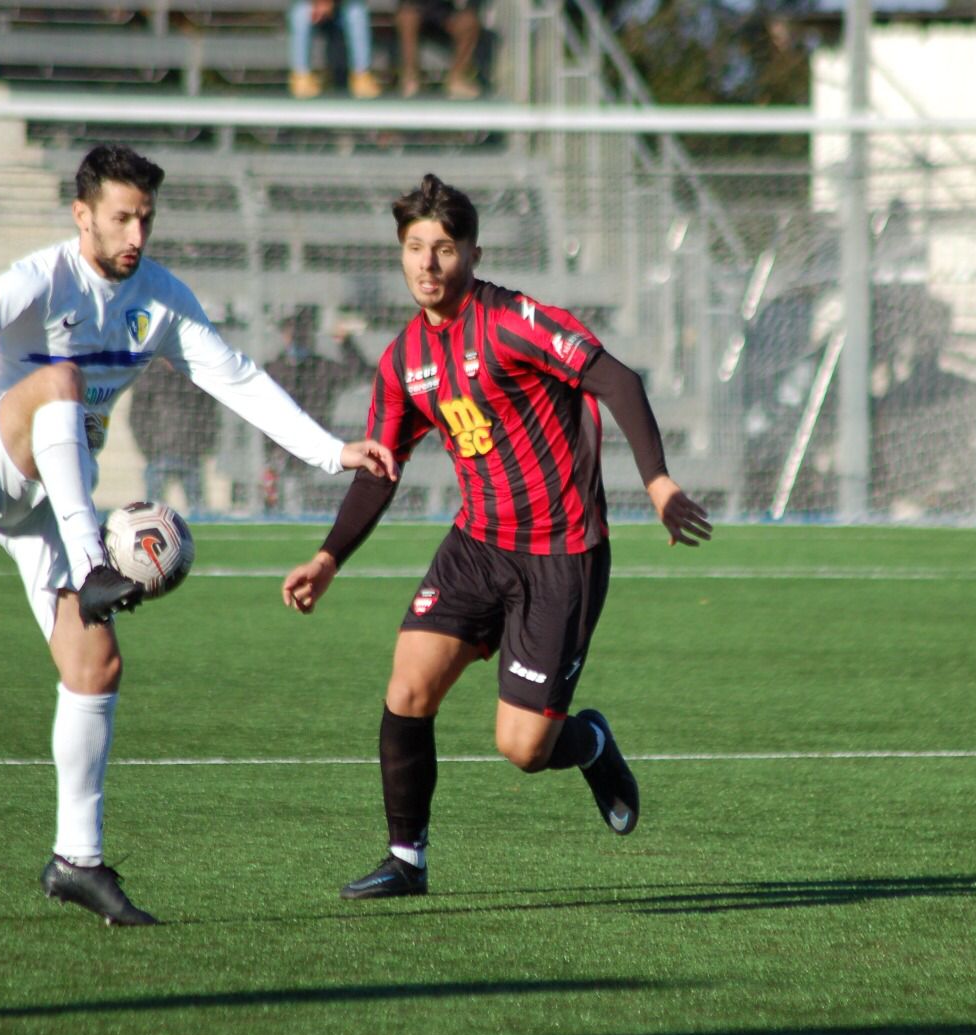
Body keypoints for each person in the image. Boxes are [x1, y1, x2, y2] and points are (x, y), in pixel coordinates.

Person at [0, 144, 396, 926]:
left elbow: (234, 376)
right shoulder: (42, 277)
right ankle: (94, 560)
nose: (136, 234)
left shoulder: (160, 298)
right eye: (122, 217)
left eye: (146, 218)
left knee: (94, 666)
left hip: (53, 504)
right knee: (59, 378)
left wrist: (330, 451)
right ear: (83, 215)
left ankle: (77, 859)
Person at [281, 174, 712, 900]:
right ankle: (406, 859)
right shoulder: (402, 360)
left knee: (522, 747)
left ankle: (592, 743)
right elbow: (380, 468)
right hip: (477, 544)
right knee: (408, 685)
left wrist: (659, 482)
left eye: (443, 248)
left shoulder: (515, 321)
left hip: (560, 553)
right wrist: (329, 556)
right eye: (415, 247)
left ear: (472, 252)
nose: (427, 263)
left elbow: (619, 381)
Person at [262, 309, 362, 513]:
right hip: (280, 449)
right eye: (291, 332)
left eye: (301, 332)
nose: (295, 337)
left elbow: (358, 373)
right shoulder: (274, 368)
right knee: (275, 506)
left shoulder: (322, 368)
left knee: (299, 504)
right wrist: (268, 451)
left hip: (317, 447)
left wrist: (345, 343)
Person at [128, 357, 219, 515]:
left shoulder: (194, 375)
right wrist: (149, 448)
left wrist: (203, 446)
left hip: (191, 455)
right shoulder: (149, 376)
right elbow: (137, 416)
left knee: (199, 510)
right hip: (158, 455)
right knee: (153, 511)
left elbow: (210, 414)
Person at [289, 0, 380, 99]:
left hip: (343, 8)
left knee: (356, 11)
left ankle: (361, 75)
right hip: (314, 8)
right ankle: (301, 76)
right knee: (300, 12)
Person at [396, 0, 481, 100]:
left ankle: (456, 79)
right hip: (417, 7)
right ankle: (410, 78)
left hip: (448, 10)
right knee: (406, 16)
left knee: (469, 21)